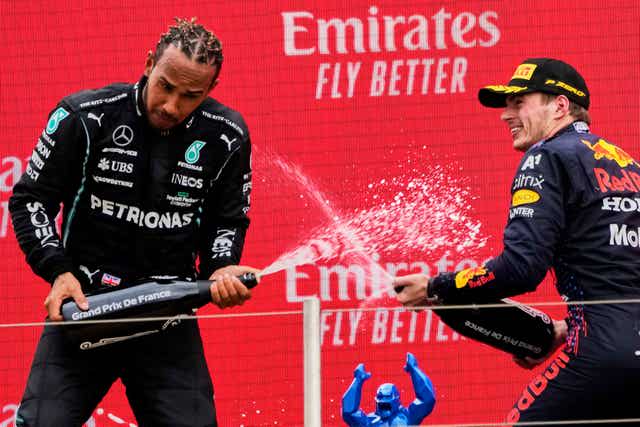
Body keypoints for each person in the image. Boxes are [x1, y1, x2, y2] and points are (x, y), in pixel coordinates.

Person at [9, 17, 257, 426]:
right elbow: (30, 198)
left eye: (190, 95)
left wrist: (221, 267)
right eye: (165, 85)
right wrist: (58, 271)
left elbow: (227, 220)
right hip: (85, 307)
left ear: (211, 90)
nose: (171, 106)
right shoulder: (85, 116)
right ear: (148, 64)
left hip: (167, 315)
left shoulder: (226, 135)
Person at [395, 58, 640, 423]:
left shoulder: (545, 157)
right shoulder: (628, 166)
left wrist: (437, 286)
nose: (505, 115)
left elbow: (521, 269)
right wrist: (564, 329)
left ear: (559, 105)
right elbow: (618, 278)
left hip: (603, 356)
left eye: (519, 102)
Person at [341, 352, 436, 426]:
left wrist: (414, 370)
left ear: (396, 402)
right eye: (382, 404)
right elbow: (348, 413)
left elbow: (428, 399)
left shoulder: (408, 416)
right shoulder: (369, 421)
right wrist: (357, 381)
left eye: (387, 404)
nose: (384, 407)